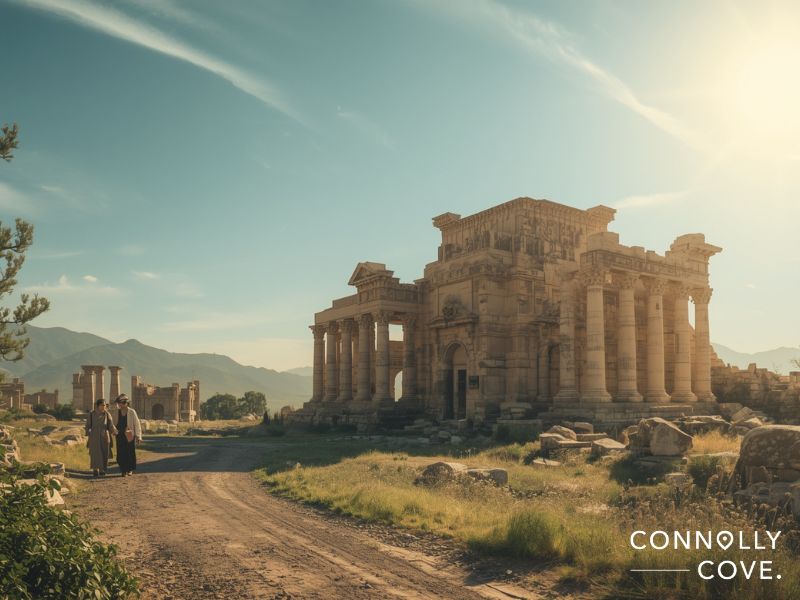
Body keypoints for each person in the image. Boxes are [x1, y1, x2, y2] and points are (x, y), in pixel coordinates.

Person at [85, 398, 117, 477]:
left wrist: (114, 432)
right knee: (95, 453)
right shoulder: (91, 414)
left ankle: (102, 469)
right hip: (94, 435)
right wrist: (89, 432)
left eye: (105, 405)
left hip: (104, 435)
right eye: (102, 405)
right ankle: (95, 469)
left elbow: (111, 425)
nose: (104, 407)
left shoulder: (107, 414)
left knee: (104, 452)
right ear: (98, 406)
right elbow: (87, 425)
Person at [114, 394, 142, 477]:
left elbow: (137, 424)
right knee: (121, 453)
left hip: (129, 435)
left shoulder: (132, 412)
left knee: (129, 452)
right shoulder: (117, 412)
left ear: (126, 403)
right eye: (119, 403)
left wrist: (138, 436)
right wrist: (113, 430)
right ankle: (123, 470)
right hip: (120, 436)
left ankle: (129, 469)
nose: (119, 405)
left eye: (121, 403)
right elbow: (113, 423)